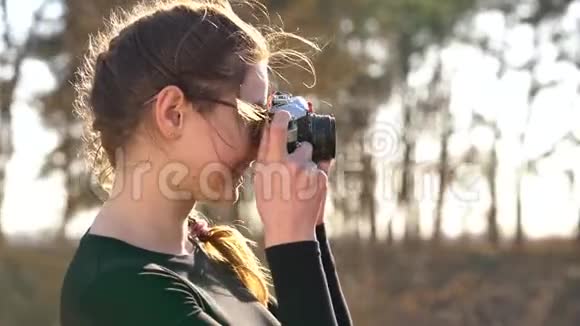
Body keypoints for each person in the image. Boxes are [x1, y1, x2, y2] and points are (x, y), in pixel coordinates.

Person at [60, 1, 352, 325]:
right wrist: (292, 243)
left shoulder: (201, 253)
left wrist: (311, 229)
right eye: (252, 118)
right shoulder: (117, 290)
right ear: (173, 113)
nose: (260, 148)